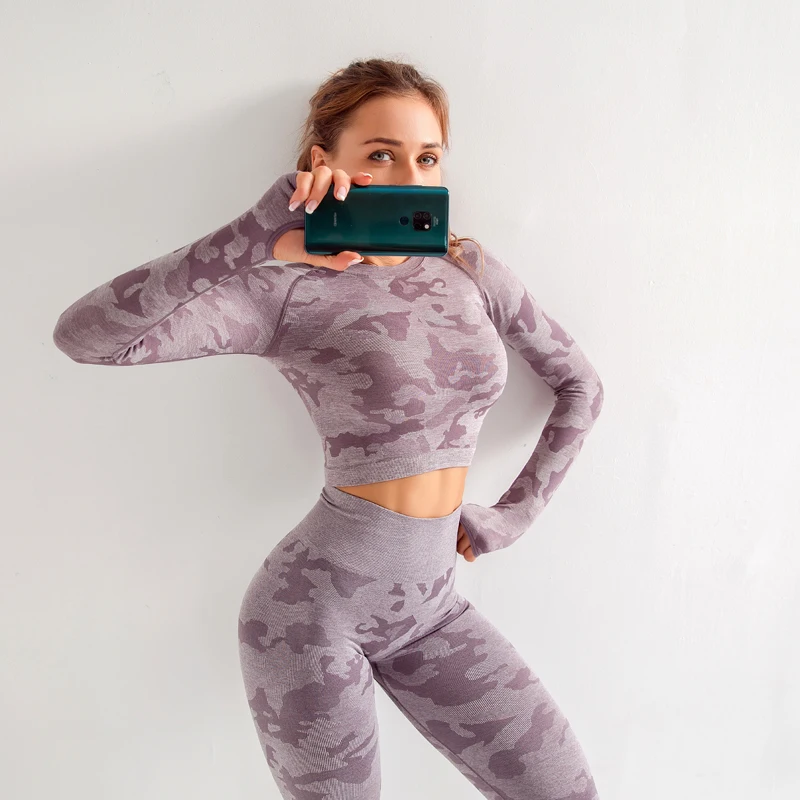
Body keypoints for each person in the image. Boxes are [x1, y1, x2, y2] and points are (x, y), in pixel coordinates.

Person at [52, 57, 604, 800]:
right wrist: (252, 237)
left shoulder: (469, 269)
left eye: (427, 157)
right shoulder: (283, 291)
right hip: (312, 616)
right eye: (381, 154)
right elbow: (87, 338)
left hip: (432, 606)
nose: (410, 176)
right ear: (322, 163)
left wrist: (515, 513)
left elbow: (581, 386)